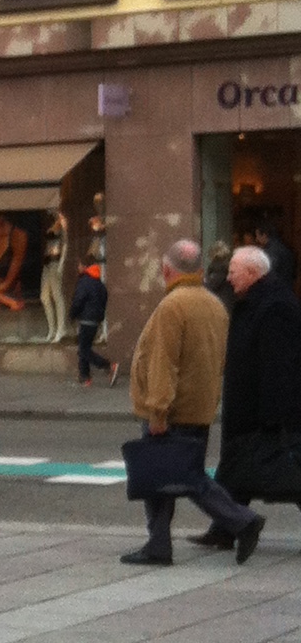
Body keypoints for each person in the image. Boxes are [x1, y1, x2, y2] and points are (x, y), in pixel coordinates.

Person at [122, 239, 262, 568]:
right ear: (200, 270)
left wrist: (157, 412)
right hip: (199, 408)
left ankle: (241, 521)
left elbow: (163, 362)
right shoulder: (214, 305)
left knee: (172, 478)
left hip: (173, 411)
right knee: (179, 476)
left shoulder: (172, 306)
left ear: (166, 269)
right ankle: (159, 543)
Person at [198, 247, 301, 552]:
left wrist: (274, 415)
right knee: (236, 470)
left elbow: (280, 364)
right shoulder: (255, 301)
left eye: (233, 272)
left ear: (253, 273)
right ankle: (225, 528)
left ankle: (227, 527)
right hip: (248, 406)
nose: (228, 278)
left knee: (286, 475)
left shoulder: (276, 306)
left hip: (262, 410)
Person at [72, 259, 115, 386]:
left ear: (85, 266)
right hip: (95, 321)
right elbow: (104, 299)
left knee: (83, 350)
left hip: (86, 319)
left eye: (79, 265)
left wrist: (72, 314)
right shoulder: (99, 283)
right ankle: (85, 377)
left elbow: (78, 300)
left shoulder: (84, 282)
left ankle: (108, 366)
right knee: (84, 347)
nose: (78, 268)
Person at [39, 210, 69, 345]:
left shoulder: (62, 226)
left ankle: (60, 329)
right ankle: (52, 329)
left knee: (57, 295)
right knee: (44, 296)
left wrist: (62, 264)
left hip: (56, 263)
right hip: (47, 263)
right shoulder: (52, 226)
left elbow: (66, 244)